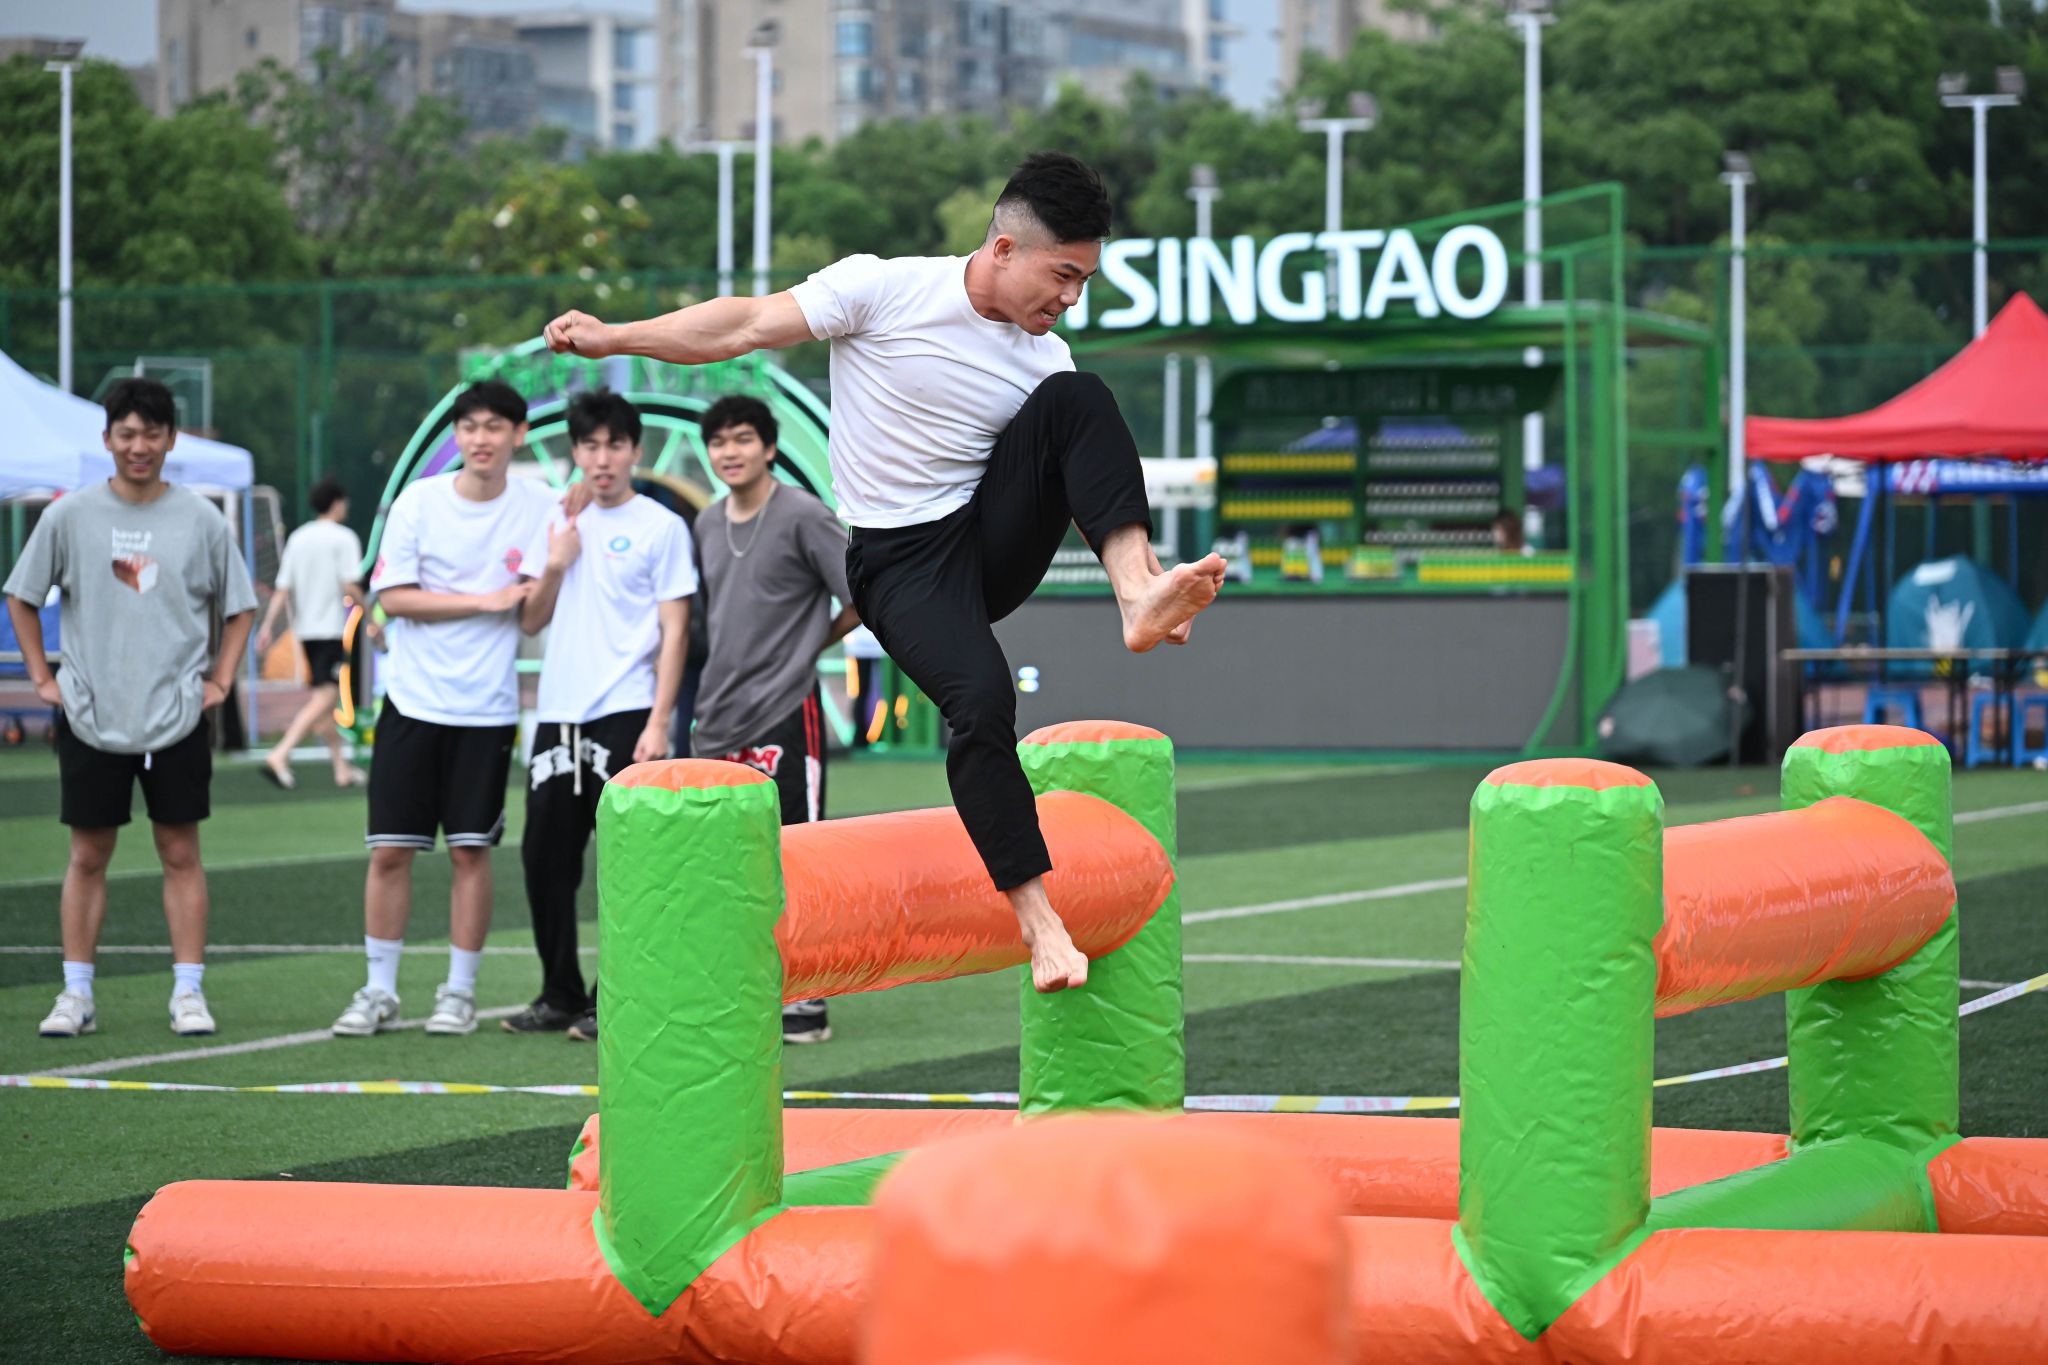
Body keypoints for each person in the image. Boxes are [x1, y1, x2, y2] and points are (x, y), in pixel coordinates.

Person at [545, 152, 1225, 994]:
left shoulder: (1045, 358)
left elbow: (1073, 472)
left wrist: (1146, 576)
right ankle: (1038, 918)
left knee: (1079, 399)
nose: (1070, 299)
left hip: (985, 544)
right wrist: (615, 336)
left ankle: (1135, 592)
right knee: (982, 699)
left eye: (1084, 281)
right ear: (1004, 249)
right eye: (1063, 276)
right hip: (901, 566)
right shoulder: (883, 289)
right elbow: (743, 325)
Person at [4, 378, 257, 1038]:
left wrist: (220, 681)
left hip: (176, 715)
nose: (138, 446)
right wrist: (43, 678)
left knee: (180, 852)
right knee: (88, 854)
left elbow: (240, 608)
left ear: (171, 440)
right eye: (127, 433)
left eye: (151, 433)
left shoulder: (201, 518)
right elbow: (21, 596)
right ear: (107, 438)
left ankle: (189, 992)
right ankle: (76, 993)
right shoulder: (69, 516)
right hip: (91, 712)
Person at [331, 381, 557, 1038]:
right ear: (457, 435)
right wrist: (486, 600)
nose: (480, 439)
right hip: (412, 701)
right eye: (470, 427)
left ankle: (459, 992)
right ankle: (378, 990)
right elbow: (394, 598)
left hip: (486, 711)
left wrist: (550, 573)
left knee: (470, 852)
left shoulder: (541, 505)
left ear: (519, 434)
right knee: (390, 852)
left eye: (494, 427)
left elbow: (533, 614)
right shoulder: (419, 502)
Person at [504, 390, 696, 1041]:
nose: (603, 458)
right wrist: (556, 565)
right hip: (558, 715)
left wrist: (659, 720)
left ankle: (609, 996)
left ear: (636, 451)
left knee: (627, 865)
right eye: (590, 446)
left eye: (615, 445)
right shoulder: (558, 520)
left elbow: (675, 630)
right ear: (576, 452)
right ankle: (558, 992)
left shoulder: (661, 527)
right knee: (544, 857)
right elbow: (531, 619)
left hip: (628, 710)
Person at [691, 394, 860, 1044]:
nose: (729, 451)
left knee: (798, 853)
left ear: (768, 446)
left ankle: (807, 997)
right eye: (718, 441)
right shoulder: (706, 523)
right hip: (717, 717)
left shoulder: (802, 514)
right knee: (723, 862)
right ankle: (742, 986)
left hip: (787, 710)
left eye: (742, 438)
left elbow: (863, 592)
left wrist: (809, 644)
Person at [254, 477, 370, 789]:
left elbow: (282, 588)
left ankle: (341, 768)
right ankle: (281, 753)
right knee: (326, 696)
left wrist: (266, 627)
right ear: (337, 502)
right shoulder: (344, 538)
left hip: (305, 632)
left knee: (325, 703)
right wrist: (372, 618)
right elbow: (350, 585)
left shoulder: (298, 538)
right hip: (329, 630)